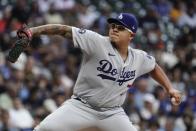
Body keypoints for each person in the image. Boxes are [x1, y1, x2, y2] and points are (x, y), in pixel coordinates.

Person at [15, 13, 182, 131]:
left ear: (131, 35)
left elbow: (154, 67)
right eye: (113, 26)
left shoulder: (138, 58)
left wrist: (169, 88)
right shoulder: (97, 42)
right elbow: (63, 29)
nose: (114, 29)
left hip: (112, 113)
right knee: (44, 129)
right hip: (81, 106)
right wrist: (33, 31)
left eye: (120, 28)